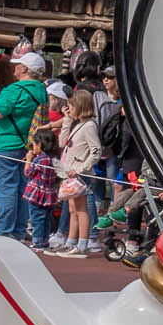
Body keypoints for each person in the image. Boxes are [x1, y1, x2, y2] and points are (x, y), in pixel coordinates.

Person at [0, 52, 47, 248]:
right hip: (25, 145)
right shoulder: (40, 90)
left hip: (5, 144)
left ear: (24, 68)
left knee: (5, 189)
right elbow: (16, 110)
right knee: (21, 190)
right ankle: (17, 231)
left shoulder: (13, 89)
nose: (14, 68)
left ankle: (2, 231)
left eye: (17, 65)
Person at [55, 90, 102, 256]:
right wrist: (67, 120)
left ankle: (82, 244)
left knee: (82, 210)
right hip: (70, 174)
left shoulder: (89, 126)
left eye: (71, 107)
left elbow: (96, 151)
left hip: (80, 175)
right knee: (72, 210)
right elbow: (62, 143)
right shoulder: (78, 124)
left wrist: (81, 168)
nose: (69, 109)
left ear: (80, 106)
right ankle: (71, 241)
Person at [24, 126, 64, 254]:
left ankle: (37, 243)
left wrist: (28, 160)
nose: (32, 147)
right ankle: (44, 241)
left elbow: (28, 172)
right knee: (46, 219)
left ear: (40, 145)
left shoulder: (40, 159)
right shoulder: (53, 158)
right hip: (49, 194)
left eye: (34, 144)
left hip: (37, 195)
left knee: (36, 219)